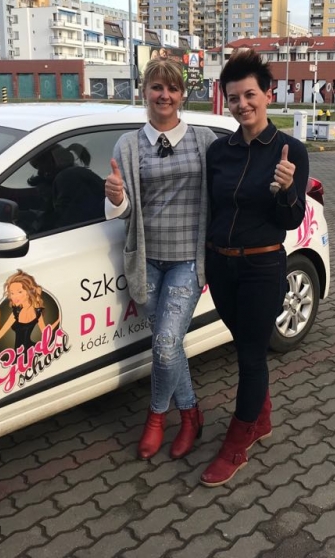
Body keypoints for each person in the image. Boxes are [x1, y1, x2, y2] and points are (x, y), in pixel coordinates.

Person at [200, 50, 309, 486]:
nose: (242, 104)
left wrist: (286, 189)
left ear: (267, 94)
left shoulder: (290, 150)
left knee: (250, 354)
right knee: (242, 342)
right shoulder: (219, 151)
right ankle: (260, 418)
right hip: (220, 266)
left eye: (249, 94)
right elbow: (210, 208)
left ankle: (237, 440)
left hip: (262, 266)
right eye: (233, 98)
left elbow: (292, 220)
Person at [104, 58, 217, 460]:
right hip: (147, 261)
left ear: (182, 95)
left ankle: (155, 416)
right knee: (167, 343)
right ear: (145, 92)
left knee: (166, 344)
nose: (164, 95)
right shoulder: (128, 145)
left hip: (188, 260)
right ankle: (190, 415)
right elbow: (125, 210)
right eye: (156, 87)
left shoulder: (204, 140)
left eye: (172, 88)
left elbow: (227, 189)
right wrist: (117, 197)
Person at [0, 270, 58, 351]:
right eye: (12, 293)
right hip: (20, 354)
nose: (14, 297)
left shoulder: (37, 311)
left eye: (19, 292)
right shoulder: (16, 313)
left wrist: (59, 320)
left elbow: (45, 331)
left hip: (32, 351)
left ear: (28, 292)